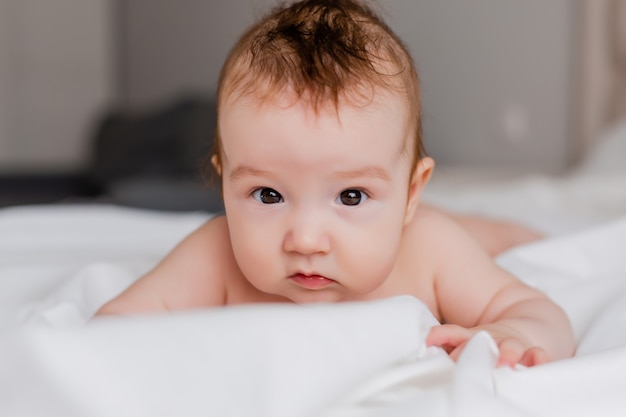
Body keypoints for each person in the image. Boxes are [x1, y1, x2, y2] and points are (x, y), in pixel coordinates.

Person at [97, 0, 574, 367]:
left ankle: (507, 230)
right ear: (224, 185)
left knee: (476, 235)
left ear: (411, 192)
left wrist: (513, 334)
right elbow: (113, 329)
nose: (305, 239)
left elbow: (537, 312)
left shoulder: (430, 249)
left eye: (351, 196)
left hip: (435, 231)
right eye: (268, 194)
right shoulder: (216, 254)